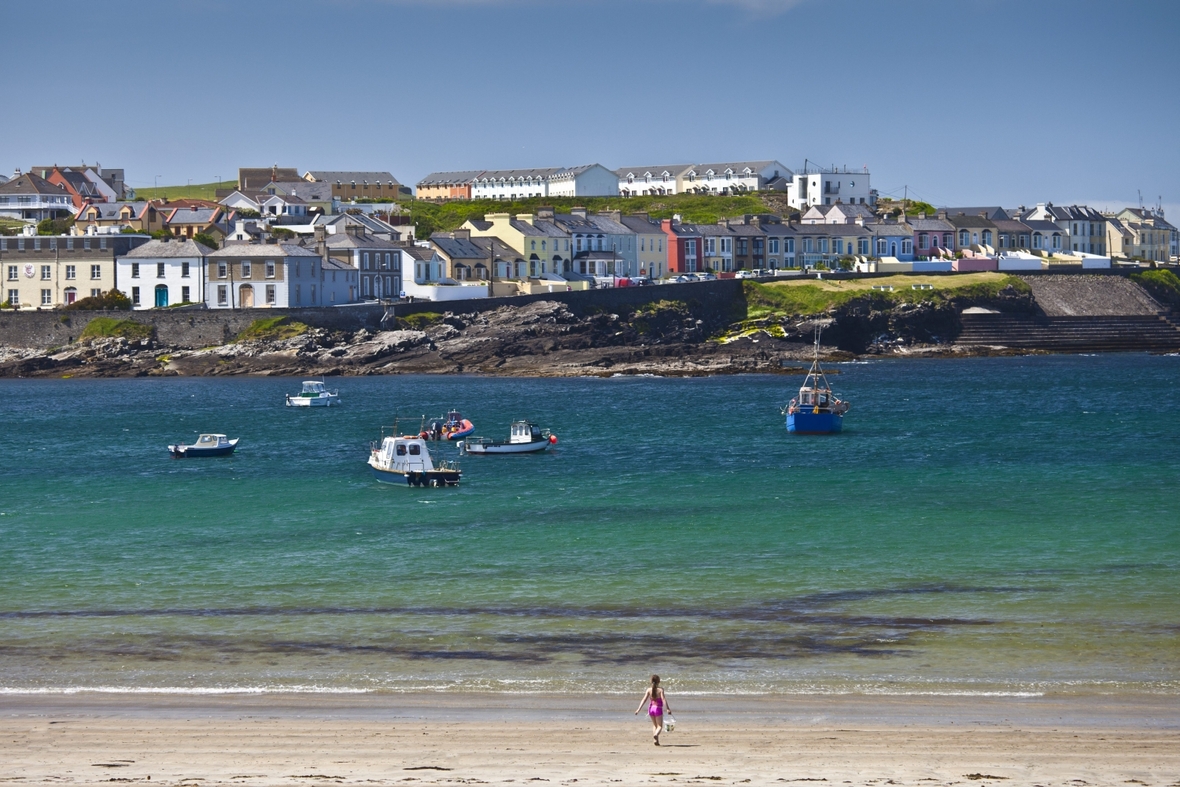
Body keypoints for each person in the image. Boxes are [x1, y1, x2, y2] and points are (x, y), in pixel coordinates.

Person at [634, 674, 671, 745]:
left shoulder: (648, 690)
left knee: (655, 725)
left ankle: (656, 741)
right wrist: (668, 708)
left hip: (651, 709)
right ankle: (656, 735)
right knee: (659, 726)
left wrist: (638, 709)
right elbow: (663, 699)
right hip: (658, 709)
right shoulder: (660, 690)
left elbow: (644, 700)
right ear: (659, 681)